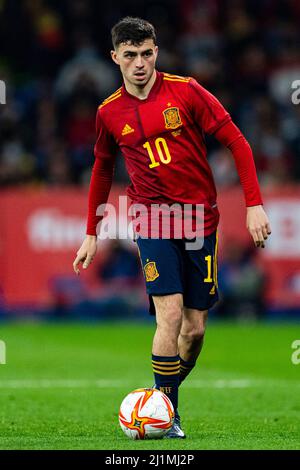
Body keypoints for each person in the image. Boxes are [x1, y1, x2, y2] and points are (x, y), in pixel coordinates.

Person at [73, 17, 271, 438]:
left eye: (146, 53)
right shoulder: (108, 112)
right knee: (171, 313)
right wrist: (92, 231)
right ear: (115, 58)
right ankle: (168, 417)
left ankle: (155, 401)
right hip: (151, 219)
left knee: (195, 330)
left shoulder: (187, 91)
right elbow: (103, 167)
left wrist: (254, 205)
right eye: (130, 56)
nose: (140, 63)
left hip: (201, 220)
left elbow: (237, 141)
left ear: (156, 52)